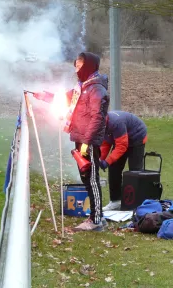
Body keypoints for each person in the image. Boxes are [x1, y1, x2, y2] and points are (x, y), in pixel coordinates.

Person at [34, 52, 109, 230]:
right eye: (76, 65)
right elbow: (64, 98)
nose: (77, 69)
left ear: (89, 66)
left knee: (91, 179)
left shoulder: (96, 89)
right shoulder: (81, 87)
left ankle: (97, 219)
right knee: (86, 178)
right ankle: (95, 216)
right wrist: (43, 96)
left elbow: (97, 117)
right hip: (80, 137)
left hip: (88, 140)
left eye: (80, 66)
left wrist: (87, 142)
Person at [99, 111, 148, 211]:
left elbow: (122, 146)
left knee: (135, 171)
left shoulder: (116, 123)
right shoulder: (100, 125)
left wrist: (107, 161)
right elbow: (105, 143)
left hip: (137, 137)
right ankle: (115, 201)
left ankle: (137, 203)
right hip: (121, 140)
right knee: (113, 169)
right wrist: (100, 159)